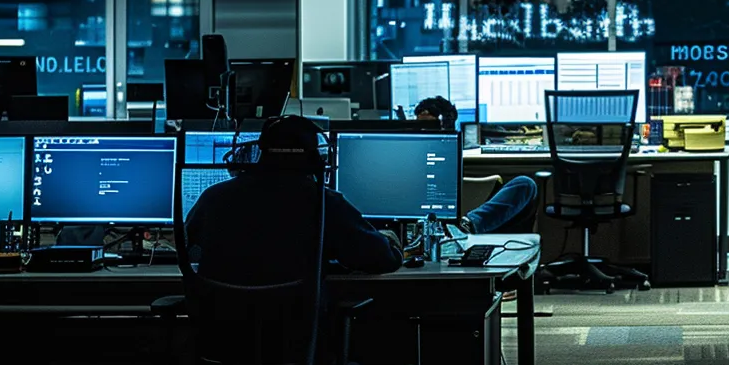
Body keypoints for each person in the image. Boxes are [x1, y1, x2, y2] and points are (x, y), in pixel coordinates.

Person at [186, 115, 402, 280]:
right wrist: (389, 241)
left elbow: (188, 246)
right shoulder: (324, 203)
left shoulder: (213, 197)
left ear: (260, 153)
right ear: (316, 159)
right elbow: (381, 260)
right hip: (295, 330)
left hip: (222, 328)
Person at [413, 96, 540, 235]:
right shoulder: (408, 156)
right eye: (419, 126)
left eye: (430, 126)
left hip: (460, 219)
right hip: (423, 221)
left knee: (525, 184)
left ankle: (467, 226)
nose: (424, 131)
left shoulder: (447, 151)